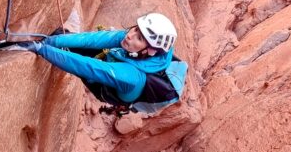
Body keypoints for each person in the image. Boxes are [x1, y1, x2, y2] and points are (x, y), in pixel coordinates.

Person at [18, 12, 182, 110]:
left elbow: (87, 67)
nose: (130, 35)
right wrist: (53, 41)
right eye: (135, 28)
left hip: (106, 88)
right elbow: (92, 39)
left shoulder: (132, 77)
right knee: (65, 38)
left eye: (139, 37)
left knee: (76, 58)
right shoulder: (133, 42)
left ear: (149, 51)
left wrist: (42, 49)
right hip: (120, 61)